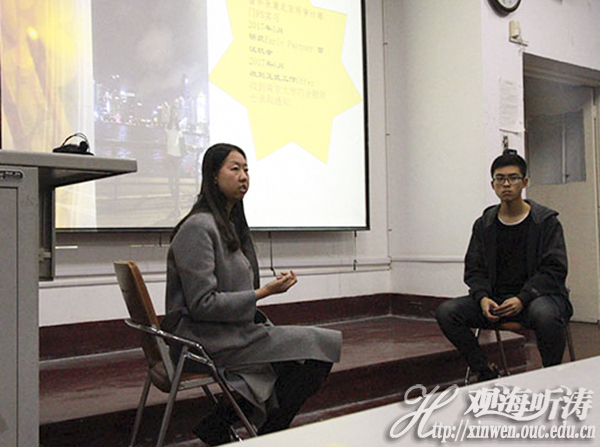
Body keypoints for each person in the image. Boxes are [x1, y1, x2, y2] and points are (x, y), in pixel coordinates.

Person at [163, 143, 342, 445]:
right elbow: (202, 304)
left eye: (246, 169)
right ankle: (264, 435)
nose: (244, 176)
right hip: (202, 339)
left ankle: (220, 424)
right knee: (317, 349)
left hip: (229, 331)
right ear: (213, 176)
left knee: (306, 355)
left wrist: (261, 293)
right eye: (234, 169)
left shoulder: (229, 225)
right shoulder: (198, 227)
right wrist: (263, 292)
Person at [435, 149, 573, 382]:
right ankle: (485, 371)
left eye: (513, 178)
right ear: (493, 185)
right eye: (500, 179)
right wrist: (482, 298)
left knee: (545, 315)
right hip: (497, 300)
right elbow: (474, 270)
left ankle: (550, 376)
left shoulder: (545, 222)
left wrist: (522, 298)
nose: (506, 184)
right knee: (447, 312)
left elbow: (554, 269)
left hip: (537, 298)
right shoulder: (484, 224)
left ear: (525, 182)